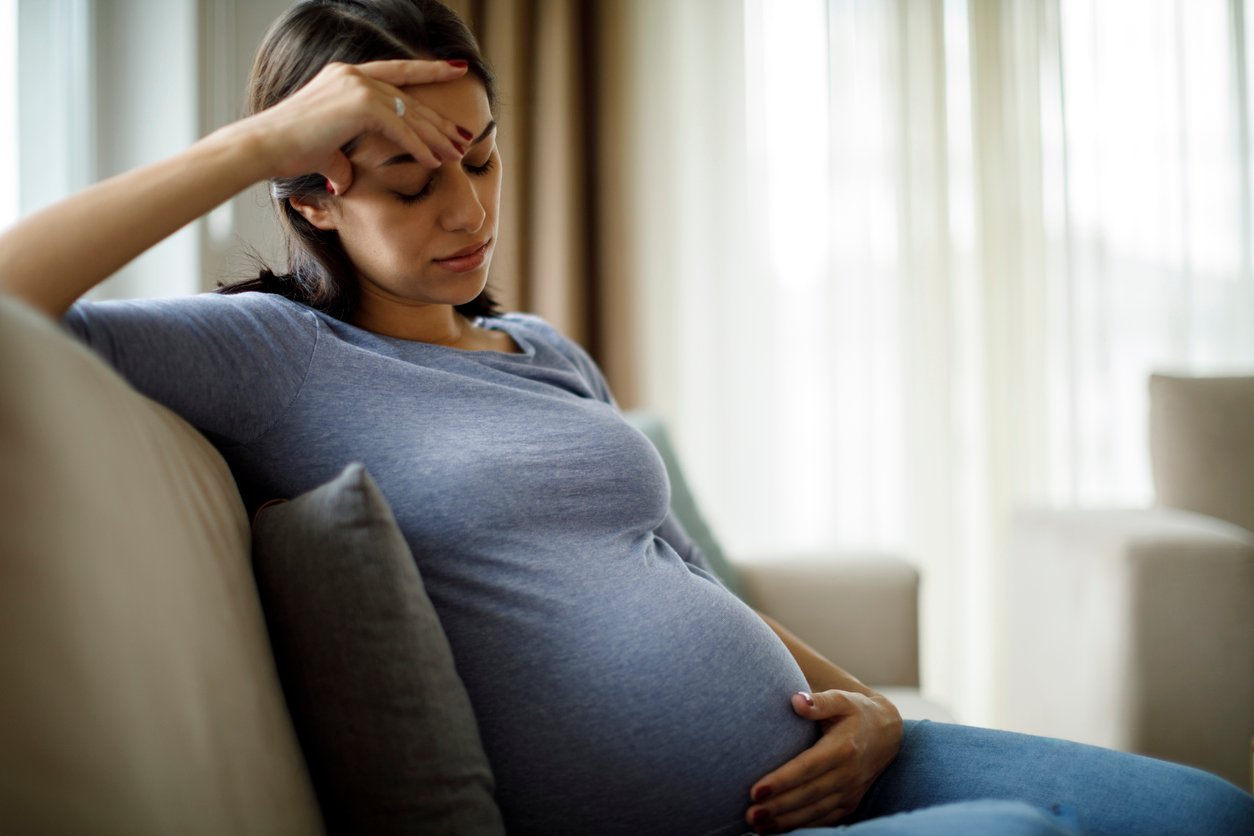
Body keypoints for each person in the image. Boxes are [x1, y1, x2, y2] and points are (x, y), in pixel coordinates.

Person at [0, 1, 1250, 834]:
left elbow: (679, 571)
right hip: (720, 815)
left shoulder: (542, 349)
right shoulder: (275, 353)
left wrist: (868, 709)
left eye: (481, 155)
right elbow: (14, 298)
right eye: (410, 178)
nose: (466, 210)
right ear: (313, 199)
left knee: (1208, 810)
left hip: (840, 765)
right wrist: (259, 137)